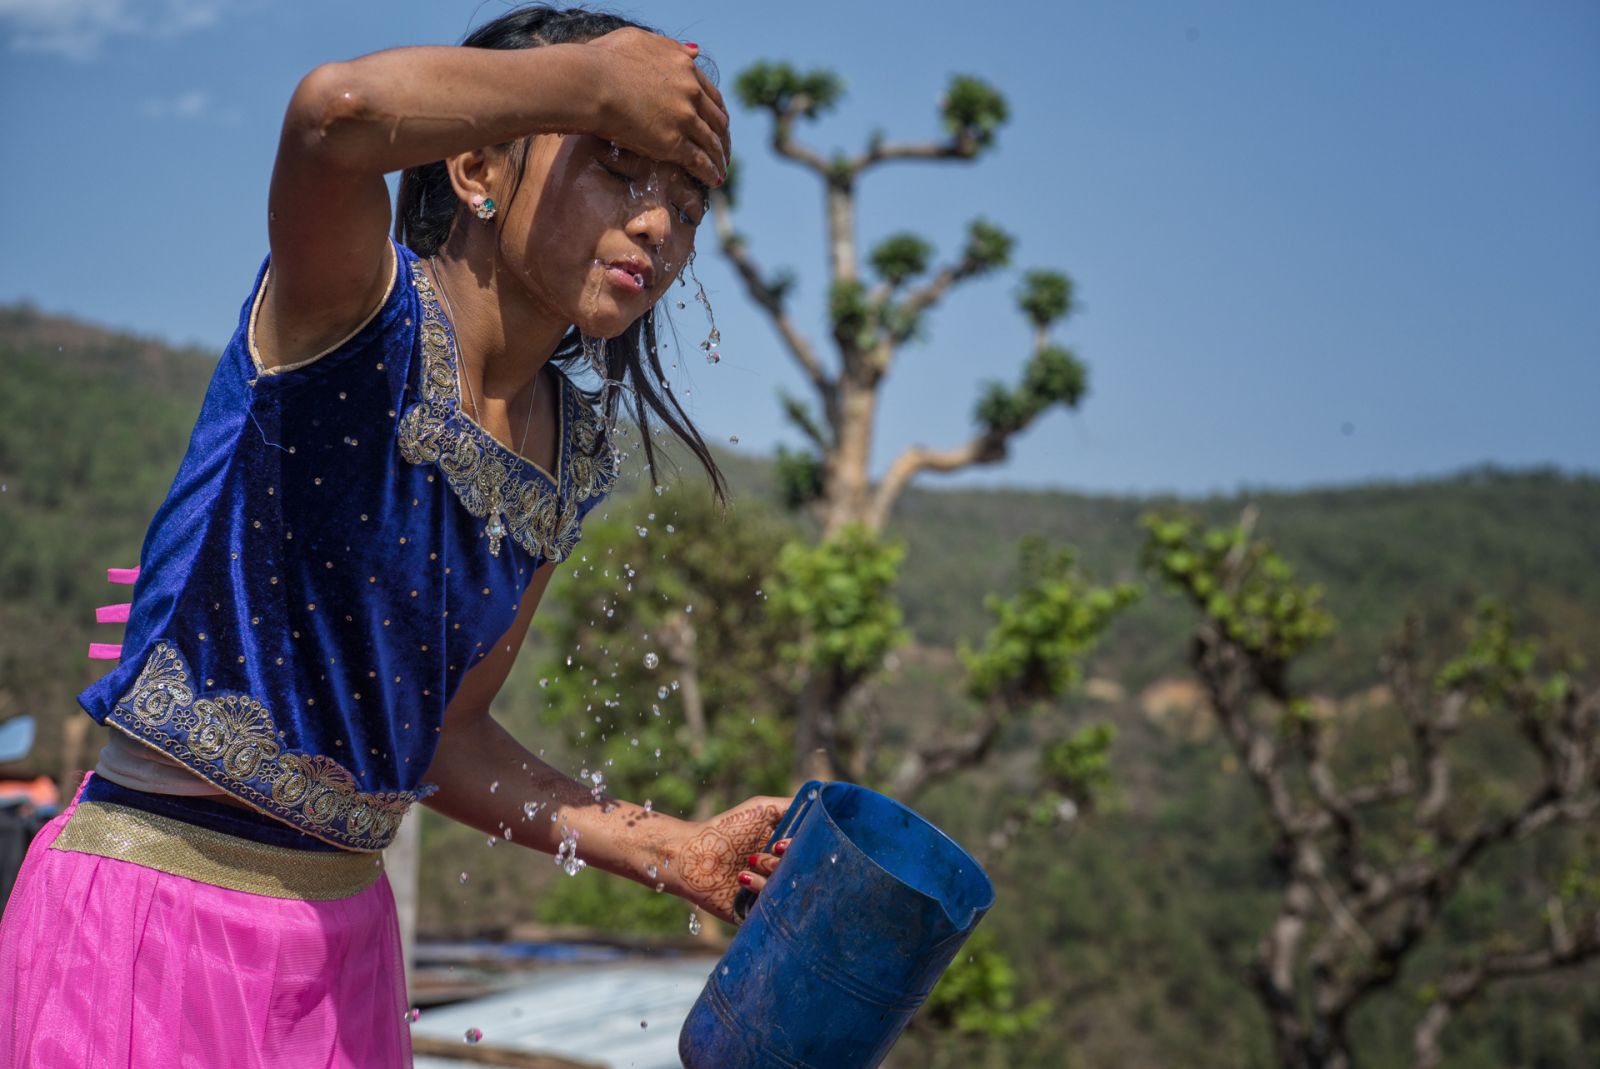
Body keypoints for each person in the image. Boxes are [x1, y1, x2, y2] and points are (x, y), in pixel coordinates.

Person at [0, 6, 794, 1066]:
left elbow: (445, 740)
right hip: (151, 914)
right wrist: (590, 81)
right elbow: (333, 118)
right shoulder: (351, 311)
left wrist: (677, 851)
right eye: (613, 168)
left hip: (345, 961)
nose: (659, 225)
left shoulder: (572, 454)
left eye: (685, 203)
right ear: (474, 167)